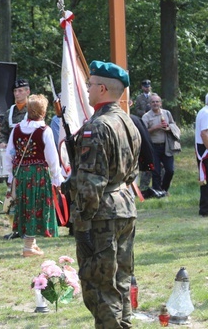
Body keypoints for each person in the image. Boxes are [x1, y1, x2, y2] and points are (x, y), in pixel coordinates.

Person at [71, 61, 140, 328]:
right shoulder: (127, 121)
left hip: (101, 212)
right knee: (120, 279)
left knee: (99, 285)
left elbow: (91, 180)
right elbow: (132, 171)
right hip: (124, 204)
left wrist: (82, 221)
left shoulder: (97, 126)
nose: (87, 90)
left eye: (89, 85)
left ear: (102, 88)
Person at [3, 94, 63, 257]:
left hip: (21, 173)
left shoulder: (16, 129)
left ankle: (32, 243)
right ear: (43, 112)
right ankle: (28, 247)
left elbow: (9, 154)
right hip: (38, 175)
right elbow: (52, 158)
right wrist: (57, 178)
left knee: (25, 206)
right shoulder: (45, 131)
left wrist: (11, 176)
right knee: (35, 206)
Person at [141, 94, 176, 195]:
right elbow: (143, 132)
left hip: (166, 146)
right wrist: (155, 127)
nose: (155, 104)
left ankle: (164, 189)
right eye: (153, 102)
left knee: (170, 170)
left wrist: (168, 127)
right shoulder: (146, 116)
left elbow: (173, 125)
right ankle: (157, 191)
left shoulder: (167, 113)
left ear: (160, 103)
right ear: (150, 104)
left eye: (157, 102)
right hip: (153, 147)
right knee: (155, 171)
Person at [0, 78, 30, 148]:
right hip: (10, 151)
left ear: (28, 92)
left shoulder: (33, 111)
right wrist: (2, 142)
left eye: (20, 91)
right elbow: (3, 132)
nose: (16, 94)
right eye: (15, 91)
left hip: (27, 151)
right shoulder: (9, 112)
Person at [195, 94, 208, 216]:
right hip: (205, 149)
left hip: (203, 147)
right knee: (206, 181)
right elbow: (204, 133)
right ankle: (205, 209)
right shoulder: (206, 113)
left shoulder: (203, 111)